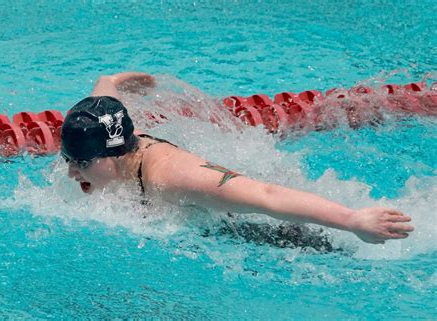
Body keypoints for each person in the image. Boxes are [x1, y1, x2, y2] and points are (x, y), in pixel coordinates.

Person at [60, 72, 414, 245]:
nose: (72, 172)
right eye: (68, 159)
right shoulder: (100, 133)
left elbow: (266, 197)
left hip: (263, 227)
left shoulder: (171, 176)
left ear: (117, 153)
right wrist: (116, 79)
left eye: (82, 163)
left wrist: (354, 220)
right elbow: (104, 91)